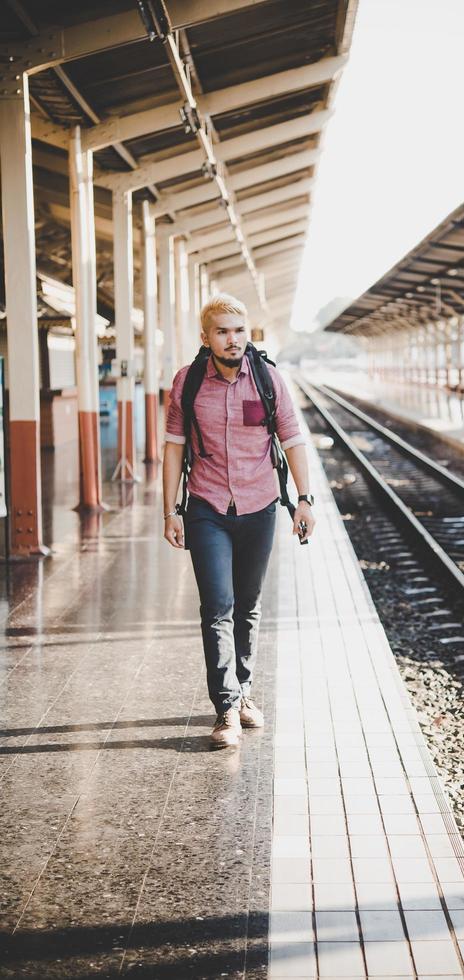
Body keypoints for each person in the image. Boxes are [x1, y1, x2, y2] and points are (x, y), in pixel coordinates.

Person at [162, 293, 316, 747]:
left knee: (247, 606)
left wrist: (304, 500)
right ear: (206, 337)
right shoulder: (187, 382)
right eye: (222, 331)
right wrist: (170, 510)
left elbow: (292, 437)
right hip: (206, 507)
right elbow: (173, 446)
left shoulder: (268, 379)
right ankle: (226, 708)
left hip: (260, 505)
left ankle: (244, 691)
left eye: (239, 331)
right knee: (217, 607)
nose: (232, 340)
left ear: (248, 334)